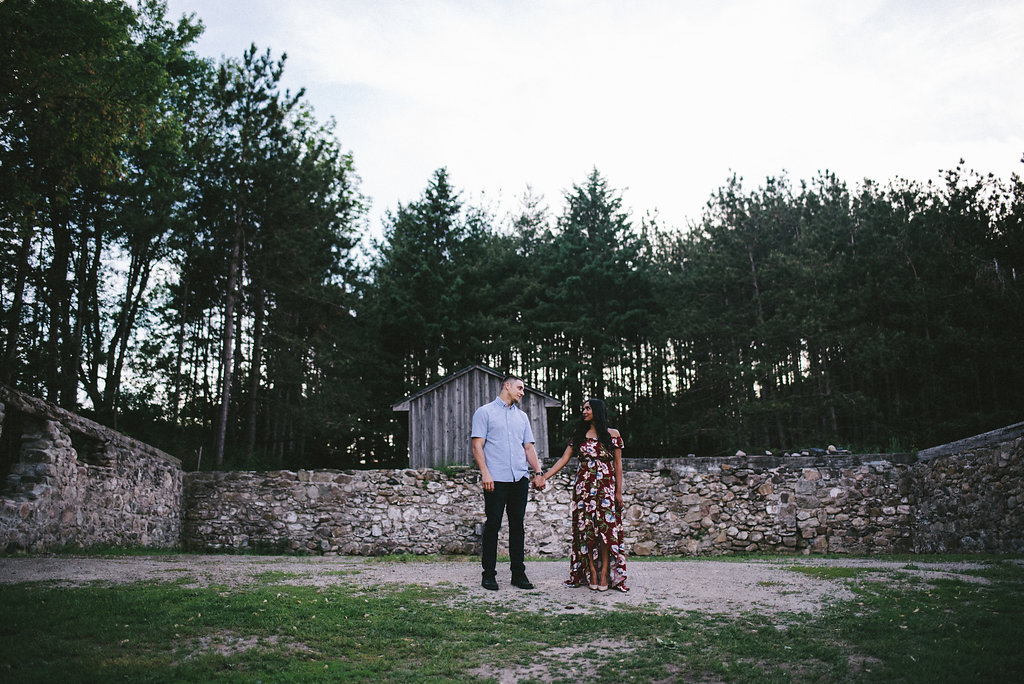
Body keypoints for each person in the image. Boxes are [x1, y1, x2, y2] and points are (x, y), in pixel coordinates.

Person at [539, 398, 629, 592]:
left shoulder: (613, 435)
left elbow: (618, 465)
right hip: (584, 490)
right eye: (583, 408)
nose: (584, 411)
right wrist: (544, 476)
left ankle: (605, 571)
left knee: (605, 531)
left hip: (606, 489)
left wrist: (619, 492)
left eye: (588, 408)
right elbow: (564, 458)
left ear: (597, 411)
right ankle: (592, 573)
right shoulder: (579, 435)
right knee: (587, 531)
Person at [471, 374, 546, 591]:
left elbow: (528, 448)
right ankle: (489, 575)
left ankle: (518, 574)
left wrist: (538, 472)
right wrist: (485, 473)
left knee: (517, 526)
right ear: (507, 386)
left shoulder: (522, 417)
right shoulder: (484, 412)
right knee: (493, 525)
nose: (522, 392)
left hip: (519, 479)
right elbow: (478, 446)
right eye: (520, 388)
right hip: (495, 479)